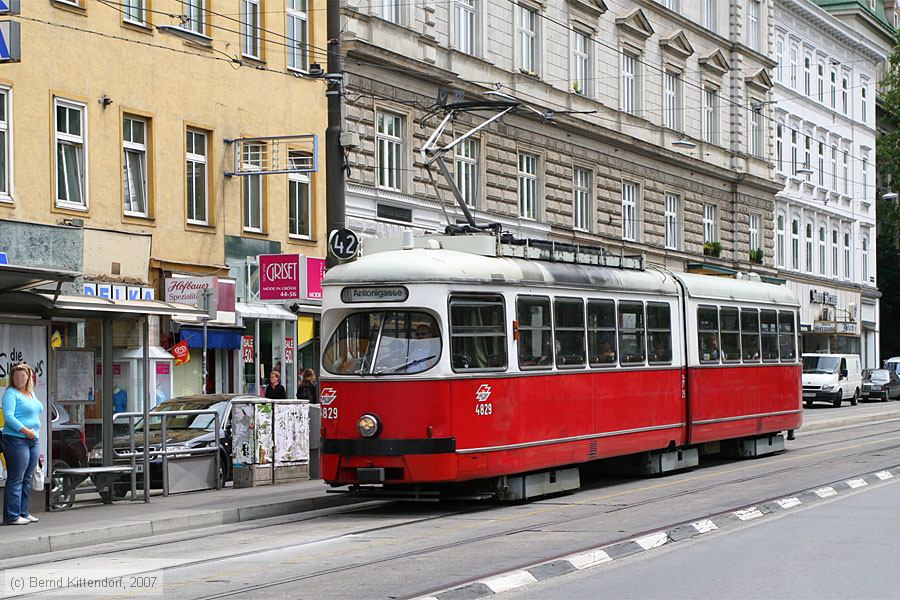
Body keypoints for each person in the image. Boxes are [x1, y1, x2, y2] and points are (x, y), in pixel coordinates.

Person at [2, 362, 43, 526]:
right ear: (12, 378)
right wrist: (26, 431)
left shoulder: (31, 393)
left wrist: (33, 433)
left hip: (33, 440)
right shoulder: (10, 394)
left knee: (27, 478)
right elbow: (9, 417)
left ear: (28, 378)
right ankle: (12, 516)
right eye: (16, 376)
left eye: (23, 376)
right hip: (16, 439)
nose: (19, 379)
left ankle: (23, 512)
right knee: (16, 478)